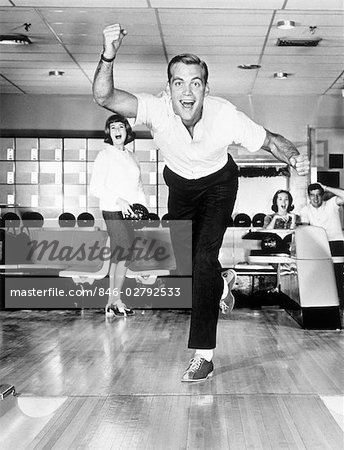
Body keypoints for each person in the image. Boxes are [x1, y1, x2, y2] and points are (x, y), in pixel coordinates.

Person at [92, 23, 309, 382]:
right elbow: (105, 97)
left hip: (219, 184)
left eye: (196, 83)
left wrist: (293, 156)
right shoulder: (156, 109)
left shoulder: (226, 115)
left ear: (206, 89)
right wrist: (108, 53)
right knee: (187, 261)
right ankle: (223, 285)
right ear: (169, 89)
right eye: (179, 82)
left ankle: (203, 355)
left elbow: (272, 140)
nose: (187, 91)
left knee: (204, 256)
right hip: (180, 184)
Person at [90, 113, 147, 317]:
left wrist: (142, 209)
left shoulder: (132, 156)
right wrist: (119, 200)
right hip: (113, 210)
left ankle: (111, 303)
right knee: (123, 254)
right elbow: (95, 187)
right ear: (109, 133)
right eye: (112, 128)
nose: (117, 131)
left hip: (130, 213)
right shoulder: (104, 155)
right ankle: (117, 300)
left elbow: (139, 185)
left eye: (120, 127)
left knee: (119, 257)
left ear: (126, 131)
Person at [301, 183, 344, 301]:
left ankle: (340, 305)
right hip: (319, 245)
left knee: (338, 277)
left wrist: (326, 187)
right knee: (322, 277)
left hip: (336, 243)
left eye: (319, 195)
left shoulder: (331, 204)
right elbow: (305, 229)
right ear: (309, 197)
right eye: (312, 195)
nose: (315, 198)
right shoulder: (305, 210)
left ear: (323, 195)